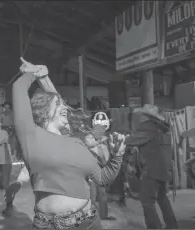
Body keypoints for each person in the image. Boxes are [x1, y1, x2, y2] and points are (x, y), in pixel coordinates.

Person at [13, 58, 125, 229]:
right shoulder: (31, 136)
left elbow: (102, 178)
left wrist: (117, 155)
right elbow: (19, 88)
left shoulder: (76, 142)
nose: (64, 106)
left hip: (87, 222)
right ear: (43, 111)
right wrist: (34, 73)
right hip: (47, 225)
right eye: (58, 104)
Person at [125, 104, 178, 229]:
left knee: (146, 200)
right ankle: (172, 225)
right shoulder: (158, 127)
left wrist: (121, 139)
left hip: (152, 168)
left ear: (146, 116)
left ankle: (155, 227)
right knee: (162, 197)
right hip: (162, 166)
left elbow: (131, 141)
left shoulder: (146, 127)